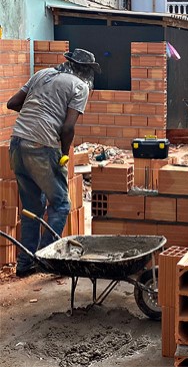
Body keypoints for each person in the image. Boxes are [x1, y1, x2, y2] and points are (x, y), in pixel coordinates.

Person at [7, 48, 100, 277]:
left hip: (17, 144)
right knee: (60, 204)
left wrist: (36, 113)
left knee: (31, 208)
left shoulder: (42, 74)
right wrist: (63, 152)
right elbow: (68, 127)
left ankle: (25, 264)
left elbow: (12, 103)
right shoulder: (80, 86)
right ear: (85, 70)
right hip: (42, 147)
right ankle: (46, 259)